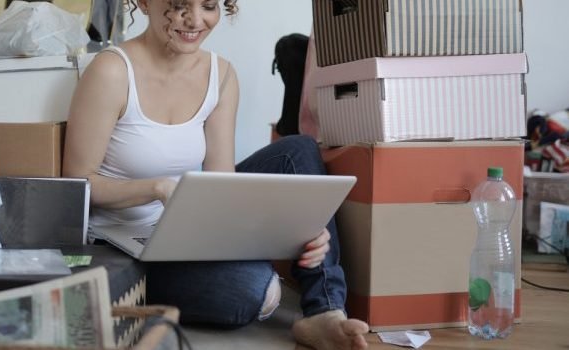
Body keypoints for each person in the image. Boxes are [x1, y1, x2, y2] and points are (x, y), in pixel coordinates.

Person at [62, 1, 369, 349]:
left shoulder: (220, 74)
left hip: (188, 228)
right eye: (179, 5)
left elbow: (224, 188)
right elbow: (78, 182)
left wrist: (297, 230)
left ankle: (324, 311)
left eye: (208, 5)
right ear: (145, 3)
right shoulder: (111, 71)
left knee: (298, 151)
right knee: (257, 291)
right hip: (126, 247)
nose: (195, 20)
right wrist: (157, 188)